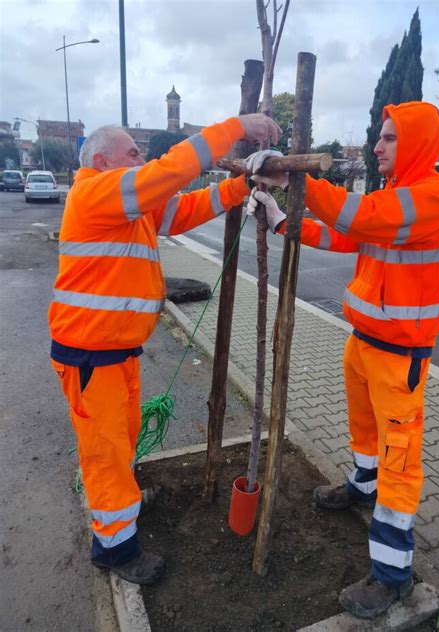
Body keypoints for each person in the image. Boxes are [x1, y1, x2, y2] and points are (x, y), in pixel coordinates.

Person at [246, 101, 439, 619]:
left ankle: (392, 576)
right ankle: (363, 488)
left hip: (399, 354)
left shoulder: (432, 196)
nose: (377, 146)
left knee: (400, 460)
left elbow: (358, 217)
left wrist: (293, 175)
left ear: (415, 144)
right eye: (380, 138)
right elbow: (345, 234)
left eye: (388, 139)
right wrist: (280, 221)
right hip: (363, 342)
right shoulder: (393, 197)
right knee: (365, 433)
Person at [49, 113, 281, 585]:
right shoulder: (95, 192)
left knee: (121, 441)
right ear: (101, 160)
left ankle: (123, 509)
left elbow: (183, 209)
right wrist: (235, 128)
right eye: (132, 153)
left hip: (113, 351)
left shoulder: (128, 206)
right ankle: (116, 550)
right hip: (91, 353)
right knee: (106, 454)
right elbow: (170, 172)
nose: (142, 158)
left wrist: (241, 187)